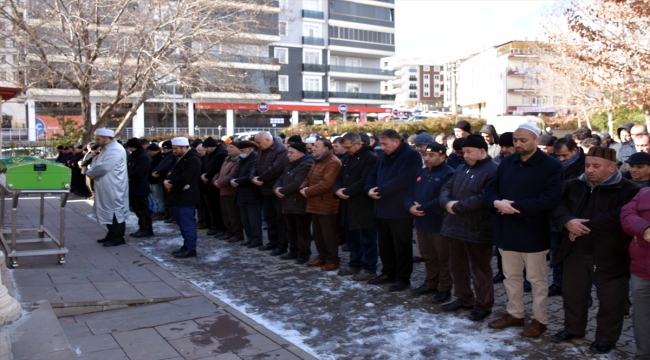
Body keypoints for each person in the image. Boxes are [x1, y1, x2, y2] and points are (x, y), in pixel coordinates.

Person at [551, 147, 639, 353]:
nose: (590, 170)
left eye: (596, 166)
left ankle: (606, 338)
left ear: (612, 167)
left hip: (611, 254)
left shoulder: (628, 189)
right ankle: (573, 329)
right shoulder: (574, 184)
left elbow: (618, 216)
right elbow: (557, 206)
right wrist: (568, 221)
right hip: (575, 251)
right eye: (587, 165)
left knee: (611, 301)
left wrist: (582, 228)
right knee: (573, 295)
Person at [486, 123, 563, 338]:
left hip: (533, 231)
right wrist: (495, 203)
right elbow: (491, 188)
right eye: (516, 140)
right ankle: (515, 314)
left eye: (523, 140)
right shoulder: (507, 162)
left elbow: (549, 198)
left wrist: (512, 207)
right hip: (506, 229)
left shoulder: (551, 166)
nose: (518, 144)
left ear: (536, 141)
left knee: (537, 280)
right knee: (511, 277)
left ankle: (540, 320)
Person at [439, 135, 498, 320]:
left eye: (469, 152)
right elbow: (446, 187)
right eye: (463, 152)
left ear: (482, 151)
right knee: (457, 266)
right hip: (455, 225)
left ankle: (483, 304)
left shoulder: (493, 170)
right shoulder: (462, 168)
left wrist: (457, 206)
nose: (465, 155)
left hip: (478, 227)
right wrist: (447, 202)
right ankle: (464, 298)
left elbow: (484, 197)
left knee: (480, 269)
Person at [365, 129, 422, 292]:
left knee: (401, 245)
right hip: (382, 207)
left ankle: (403, 278)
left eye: (384, 144)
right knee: (385, 244)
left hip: (399, 209)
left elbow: (403, 179)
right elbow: (373, 173)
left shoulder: (411, 155)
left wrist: (380, 191)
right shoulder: (384, 155)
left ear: (396, 141)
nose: (381, 147)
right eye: (381, 143)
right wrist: (369, 189)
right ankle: (388, 272)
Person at [405, 143, 454, 302]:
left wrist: (423, 207)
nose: (427, 158)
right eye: (425, 155)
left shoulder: (449, 173)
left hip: (439, 223)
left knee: (443, 257)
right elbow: (409, 191)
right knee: (428, 255)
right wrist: (410, 206)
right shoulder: (422, 172)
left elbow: (443, 198)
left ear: (442, 156)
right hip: (421, 221)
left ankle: (444, 287)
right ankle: (431, 282)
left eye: (432, 155)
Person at [335, 133, 379, 281]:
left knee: (367, 238)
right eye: (345, 147)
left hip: (363, 204)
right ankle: (355, 263)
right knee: (352, 237)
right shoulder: (347, 158)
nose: (347, 150)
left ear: (358, 144)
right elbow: (339, 177)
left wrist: (346, 192)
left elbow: (365, 180)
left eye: (348, 147)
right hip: (348, 203)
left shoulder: (370, 158)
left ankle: (369, 267)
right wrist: (338, 190)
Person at [300, 138, 342, 271]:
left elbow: (326, 184)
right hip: (314, 201)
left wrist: (307, 191)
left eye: (316, 146)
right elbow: (308, 177)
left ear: (325, 149)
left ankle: (332, 259)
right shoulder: (317, 160)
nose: (313, 148)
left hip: (326, 203)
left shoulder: (333, 162)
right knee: (318, 233)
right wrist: (302, 187)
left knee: (328, 233)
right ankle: (322, 256)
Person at [620, 187, 650, 360]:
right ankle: (643, 354)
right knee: (642, 316)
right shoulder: (645, 192)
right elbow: (627, 215)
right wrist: (644, 228)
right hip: (641, 268)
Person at [87, 129, 129, 247]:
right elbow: (97, 164)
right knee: (107, 209)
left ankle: (118, 236)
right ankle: (111, 233)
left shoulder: (115, 149)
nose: (97, 141)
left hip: (113, 185)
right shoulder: (107, 149)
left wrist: (92, 173)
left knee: (115, 210)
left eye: (98, 139)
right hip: (106, 184)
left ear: (106, 139)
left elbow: (104, 166)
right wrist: (92, 171)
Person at [274, 142, 313, 263]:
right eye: (288, 152)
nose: (288, 155)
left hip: (299, 202)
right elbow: (280, 179)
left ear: (301, 154)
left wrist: (282, 191)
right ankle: (293, 250)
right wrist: (276, 189)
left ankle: (303, 253)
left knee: (302, 230)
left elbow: (297, 183)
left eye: (291, 153)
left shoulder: (306, 164)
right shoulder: (289, 165)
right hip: (287, 202)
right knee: (290, 229)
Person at [165, 137, 203, 259]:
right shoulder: (184, 158)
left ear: (184, 147)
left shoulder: (192, 160)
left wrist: (171, 183)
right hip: (179, 196)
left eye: (176, 148)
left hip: (186, 196)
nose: (174, 151)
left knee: (187, 224)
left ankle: (191, 247)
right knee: (182, 223)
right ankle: (186, 245)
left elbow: (185, 177)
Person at [252, 132, 289, 255]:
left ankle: (281, 244)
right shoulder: (262, 150)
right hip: (265, 189)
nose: (257, 145)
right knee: (269, 217)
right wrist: (253, 177)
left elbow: (275, 168)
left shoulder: (281, 150)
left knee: (280, 218)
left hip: (276, 189)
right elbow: (255, 165)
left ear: (267, 140)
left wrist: (260, 178)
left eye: (258, 143)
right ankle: (272, 242)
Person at [231, 141, 264, 248]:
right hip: (242, 194)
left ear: (249, 149)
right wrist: (232, 179)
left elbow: (251, 176)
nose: (240, 153)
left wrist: (237, 181)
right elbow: (236, 173)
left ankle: (257, 239)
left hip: (252, 194)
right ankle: (250, 238)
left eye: (242, 151)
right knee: (245, 219)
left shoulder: (255, 159)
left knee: (254, 220)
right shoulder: (242, 159)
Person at [212, 142, 243, 243]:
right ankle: (229, 231)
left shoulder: (238, 160)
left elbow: (232, 175)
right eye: (228, 147)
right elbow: (219, 172)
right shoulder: (227, 159)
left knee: (233, 214)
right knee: (225, 214)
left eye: (231, 147)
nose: (228, 149)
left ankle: (237, 233)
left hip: (230, 191)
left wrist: (219, 182)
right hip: (222, 190)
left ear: (238, 149)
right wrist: (215, 180)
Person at [125, 138, 154, 238]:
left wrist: (129, 176)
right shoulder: (134, 155)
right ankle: (142, 227)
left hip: (140, 185)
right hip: (133, 186)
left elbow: (140, 171)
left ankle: (147, 229)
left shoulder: (143, 157)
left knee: (142, 209)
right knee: (137, 209)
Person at [201, 137, 228, 237]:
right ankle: (215, 226)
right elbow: (206, 166)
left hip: (216, 183)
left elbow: (216, 168)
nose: (206, 150)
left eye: (207, 148)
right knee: (212, 207)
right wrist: (204, 175)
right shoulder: (209, 154)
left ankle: (221, 227)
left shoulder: (221, 154)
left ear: (213, 147)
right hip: (209, 183)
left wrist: (207, 176)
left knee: (218, 208)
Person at [152, 140, 177, 223]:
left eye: (165, 148)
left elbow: (166, 166)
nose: (163, 150)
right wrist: (156, 171)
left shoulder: (171, 156)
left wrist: (157, 172)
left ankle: (172, 215)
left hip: (166, 179)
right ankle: (168, 214)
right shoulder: (165, 156)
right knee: (165, 198)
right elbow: (161, 165)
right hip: (162, 179)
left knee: (169, 199)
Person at [147, 143, 165, 220]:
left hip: (156, 180)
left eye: (151, 151)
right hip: (151, 180)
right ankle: (157, 210)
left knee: (158, 196)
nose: (149, 153)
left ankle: (160, 211)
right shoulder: (152, 158)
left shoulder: (159, 158)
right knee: (154, 197)